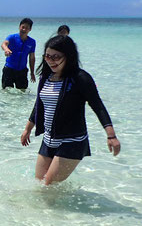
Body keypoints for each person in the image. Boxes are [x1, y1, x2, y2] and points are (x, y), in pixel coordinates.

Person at [20, 35, 121, 184]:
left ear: (69, 56)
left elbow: (97, 106)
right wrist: (27, 129)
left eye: (56, 57)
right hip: (48, 140)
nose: (50, 61)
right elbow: (39, 105)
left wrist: (111, 136)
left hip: (72, 141)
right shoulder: (46, 76)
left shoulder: (80, 78)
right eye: (47, 56)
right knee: (39, 184)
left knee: (48, 186)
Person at [1, 18, 36, 90]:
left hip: (22, 71)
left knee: (22, 92)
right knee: (6, 91)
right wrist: (6, 49)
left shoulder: (32, 42)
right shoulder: (12, 37)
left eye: (27, 28)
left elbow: (32, 58)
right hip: (9, 69)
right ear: (19, 27)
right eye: (23, 27)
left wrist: (32, 73)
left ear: (30, 29)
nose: (24, 29)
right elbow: (4, 44)